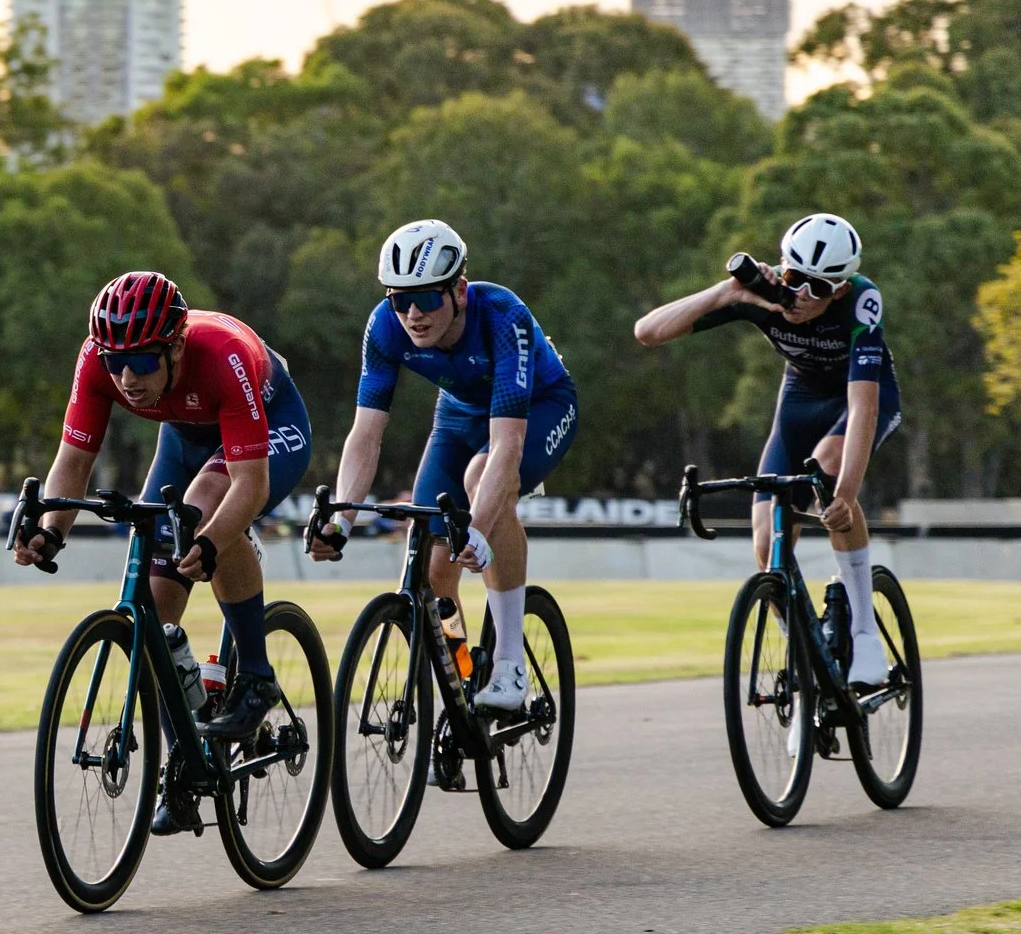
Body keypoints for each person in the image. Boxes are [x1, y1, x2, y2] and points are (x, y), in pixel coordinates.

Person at [13, 271, 315, 831]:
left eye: (145, 362)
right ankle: (185, 762)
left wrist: (212, 540)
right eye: (115, 362)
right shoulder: (100, 360)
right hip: (185, 436)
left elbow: (249, 485)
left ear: (175, 346)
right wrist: (52, 529)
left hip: (268, 428)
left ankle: (254, 673)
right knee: (155, 604)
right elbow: (73, 460)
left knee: (206, 507)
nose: (127, 378)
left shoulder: (221, 355)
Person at [308, 220, 578, 716]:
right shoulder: (384, 327)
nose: (413, 313)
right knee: (432, 565)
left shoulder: (501, 316)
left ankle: (509, 662)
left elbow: (507, 445)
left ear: (459, 290)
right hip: (457, 416)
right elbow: (365, 435)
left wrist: (476, 530)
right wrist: (341, 520)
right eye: (400, 299)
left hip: (538, 408)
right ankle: (461, 679)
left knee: (484, 487)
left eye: (428, 299)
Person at [633, 212, 901, 687]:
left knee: (828, 470)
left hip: (855, 399)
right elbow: (648, 332)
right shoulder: (762, 296)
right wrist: (728, 293)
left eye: (818, 288)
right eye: (795, 278)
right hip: (798, 401)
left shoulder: (861, 300)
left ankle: (864, 632)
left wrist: (845, 494)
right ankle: (802, 649)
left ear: (839, 290)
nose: (800, 295)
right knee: (766, 545)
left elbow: (863, 408)